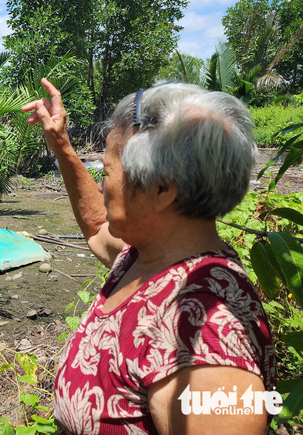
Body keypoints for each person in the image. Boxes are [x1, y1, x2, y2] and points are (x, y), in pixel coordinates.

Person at [22, 79, 275, 434]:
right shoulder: (146, 257)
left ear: (161, 190)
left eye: (107, 172)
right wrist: (61, 145)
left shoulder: (205, 334)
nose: (101, 184)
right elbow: (97, 229)